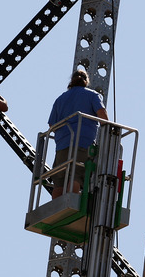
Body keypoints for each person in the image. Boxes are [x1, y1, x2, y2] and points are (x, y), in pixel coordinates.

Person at [47, 69, 108, 198]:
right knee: (76, 174)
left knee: (60, 180)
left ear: (71, 81)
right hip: (82, 142)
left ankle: (57, 209)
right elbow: (102, 116)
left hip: (62, 145)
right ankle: (71, 202)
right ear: (86, 81)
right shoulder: (92, 95)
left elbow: (52, 125)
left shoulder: (60, 99)